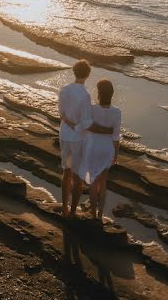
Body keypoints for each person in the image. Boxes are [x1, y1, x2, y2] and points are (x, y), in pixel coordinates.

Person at [58, 60, 113, 219]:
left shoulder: (64, 89)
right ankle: (73, 212)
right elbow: (87, 123)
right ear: (88, 75)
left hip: (64, 135)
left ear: (74, 72)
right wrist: (106, 130)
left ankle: (64, 208)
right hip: (77, 139)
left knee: (66, 172)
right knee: (77, 176)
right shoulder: (85, 95)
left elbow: (61, 113)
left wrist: (70, 123)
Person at [78, 79, 121, 221]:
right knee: (103, 183)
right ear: (112, 94)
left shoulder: (91, 109)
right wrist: (116, 154)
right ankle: (101, 215)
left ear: (98, 93)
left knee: (92, 182)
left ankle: (93, 214)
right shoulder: (117, 112)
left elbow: (85, 126)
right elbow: (116, 137)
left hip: (92, 148)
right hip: (107, 149)